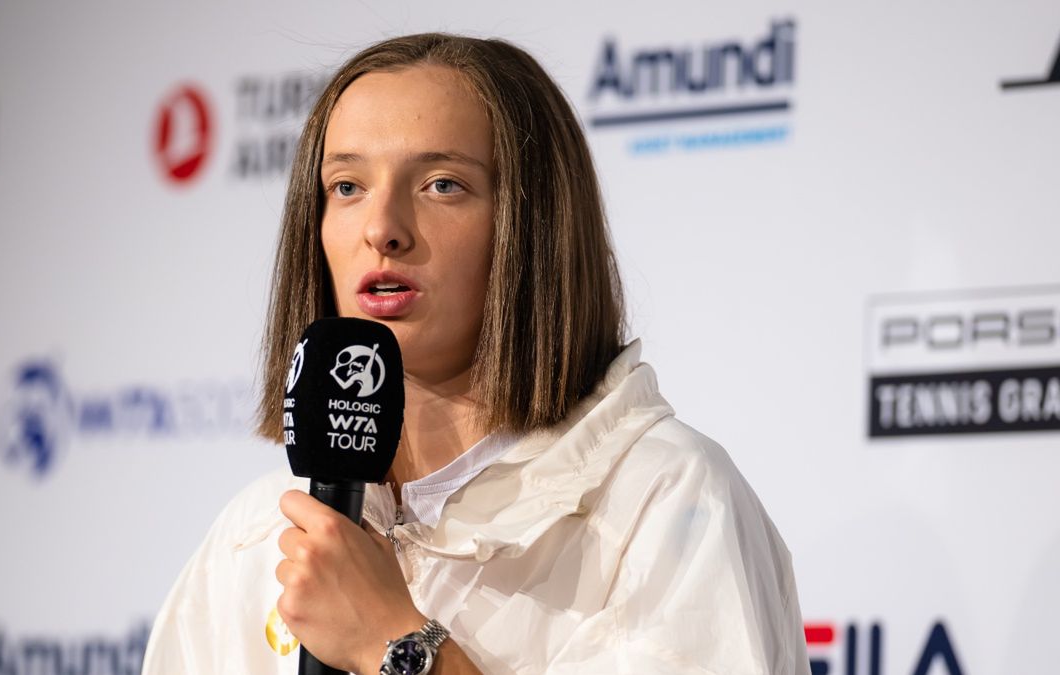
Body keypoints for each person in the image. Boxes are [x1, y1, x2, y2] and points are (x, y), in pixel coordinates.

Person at [142, 33, 809, 675]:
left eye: (441, 185)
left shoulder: (664, 499)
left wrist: (396, 644)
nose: (382, 229)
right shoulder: (258, 535)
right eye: (348, 186)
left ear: (533, 227)